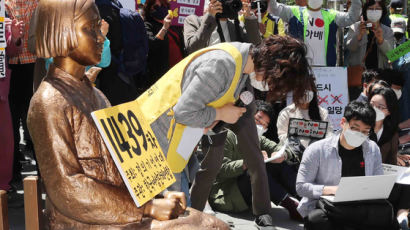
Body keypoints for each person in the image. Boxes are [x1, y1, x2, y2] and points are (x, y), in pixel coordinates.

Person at [27, 0, 229, 229]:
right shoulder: (49, 102)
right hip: (83, 220)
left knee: (209, 223)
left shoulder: (96, 96)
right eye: (90, 29)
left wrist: (156, 198)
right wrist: (147, 208)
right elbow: (68, 188)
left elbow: (125, 161)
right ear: (62, 33)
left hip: (117, 211)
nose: (101, 37)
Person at [138, 35, 313, 229]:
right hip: (155, 145)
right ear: (274, 68)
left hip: (172, 146)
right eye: (273, 82)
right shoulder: (222, 65)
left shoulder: (240, 66)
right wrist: (221, 113)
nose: (269, 87)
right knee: (166, 218)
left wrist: (214, 119)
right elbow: (184, 112)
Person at [297, 100, 396, 229]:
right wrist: (331, 190)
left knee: (388, 215)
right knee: (316, 220)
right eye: (355, 128)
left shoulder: (372, 149)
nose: (359, 135)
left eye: (365, 131)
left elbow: (376, 184)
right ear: (343, 122)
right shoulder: (317, 150)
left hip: (360, 206)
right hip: (331, 207)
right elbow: (301, 187)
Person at [209, 100, 303, 221]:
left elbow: (281, 149)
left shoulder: (258, 138)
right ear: (246, 115)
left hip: (250, 195)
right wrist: (247, 162)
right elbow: (221, 170)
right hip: (227, 194)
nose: (260, 126)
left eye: (265, 125)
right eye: (258, 119)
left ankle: (305, 198)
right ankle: (292, 206)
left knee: (279, 163)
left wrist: (282, 155)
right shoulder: (226, 135)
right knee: (255, 170)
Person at [5, 0, 39, 190]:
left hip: (32, 65)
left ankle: (41, 172)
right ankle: (15, 171)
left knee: (33, 120)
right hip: (11, 66)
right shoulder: (6, 4)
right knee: (11, 121)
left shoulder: (37, 4)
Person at [269, 0, 361, 66]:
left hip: (325, 70)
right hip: (300, 68)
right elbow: (274, 8)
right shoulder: (294, 12)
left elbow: (351, 18)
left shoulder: (332, 15)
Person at [0, 17, 23, 207]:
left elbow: (12, 51)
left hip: (1, 90)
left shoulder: (2, 18)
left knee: (6, 141)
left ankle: (3, 188)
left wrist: (15, 37)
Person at [183, 0, 261, 54]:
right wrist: (210, 17)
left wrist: (249, 17)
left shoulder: (238, 25)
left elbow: (256, 47)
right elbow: (192, 49)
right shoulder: (193, 21)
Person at [277, 81, 333, 149]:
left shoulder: (323, 113)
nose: (305, 92)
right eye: (301, 89)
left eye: (308, 89)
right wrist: (300, 137)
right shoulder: (286, 113)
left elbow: (329, 135)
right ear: (295, 92)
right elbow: (282, 136)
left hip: (317, 154)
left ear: (313, 91)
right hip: (294, 155)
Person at [142, 0, 185, 89]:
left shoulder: (173, 26)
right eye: (156, 6)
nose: (160, 8)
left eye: (162, 5)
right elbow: (152, 44)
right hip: (161, 77)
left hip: (179, 73)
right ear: (149, 10)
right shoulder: (148, 25)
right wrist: (164, 28)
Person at [346, 0, 394, 70]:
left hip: (380, 73)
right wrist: (359, 36)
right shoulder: (355, 27)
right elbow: (350, 48)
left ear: (382, 11)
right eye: (371, 9)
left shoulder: (388, 31)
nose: (374, 11)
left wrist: (381, 40)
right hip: (359, 73)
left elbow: (391, 55)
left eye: (377, 9)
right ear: (365, 11)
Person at [368, 87, 400, 165]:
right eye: (371, 105)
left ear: (389, 111)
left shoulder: (392, 133)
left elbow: (392, 162)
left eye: (380, 107)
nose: (374, 109)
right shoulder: (359, 128)